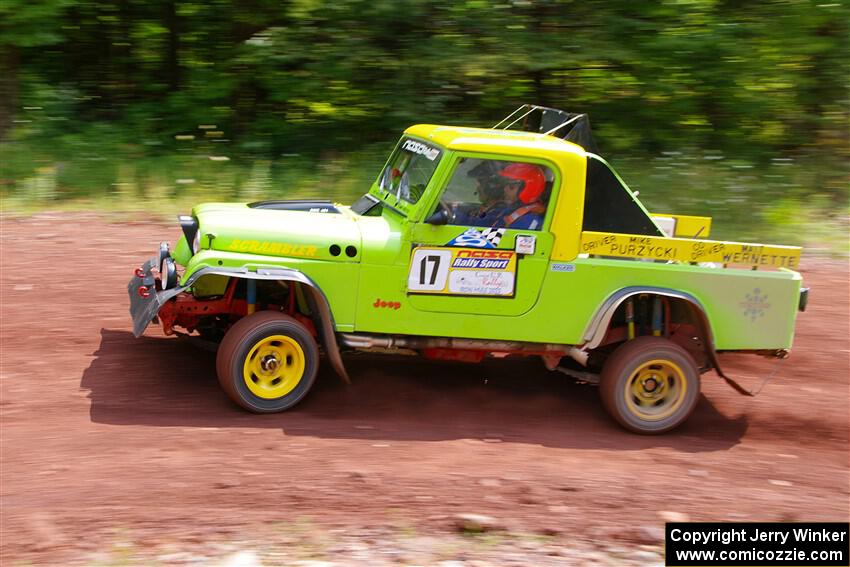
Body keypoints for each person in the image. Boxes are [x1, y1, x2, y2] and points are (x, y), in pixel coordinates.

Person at [488, 163, 547, 230]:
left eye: (511, 187)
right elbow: (491, 220)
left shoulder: (529, 220)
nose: (505, 189)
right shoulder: (513, 208)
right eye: (505, 185)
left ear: (529, 189)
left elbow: (500, 239)